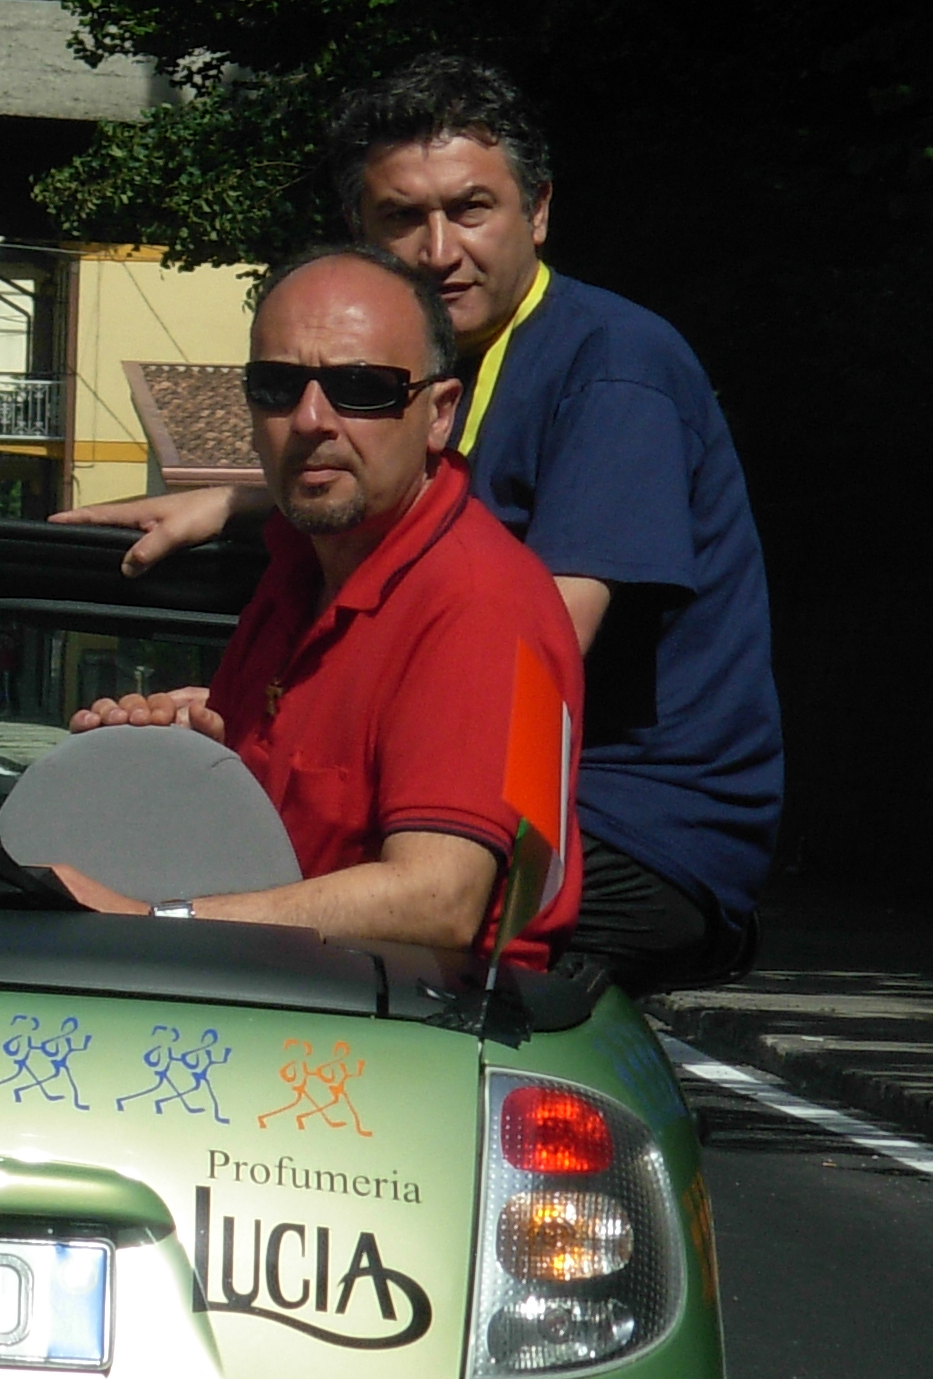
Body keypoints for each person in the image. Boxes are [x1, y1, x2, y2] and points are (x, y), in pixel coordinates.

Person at [60, 57, 779, 991]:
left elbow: (531, 651)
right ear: (358, 229)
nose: (439, 251)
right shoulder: (429, 371)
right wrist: (249, 514)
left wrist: (162, 914)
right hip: (493, 786)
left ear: (539, 211)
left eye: (471, 209)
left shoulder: (613, 368)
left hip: (635, 822)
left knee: (379, 918)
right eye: (402, 217)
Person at [54, 245, 587, 972]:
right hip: (277, 998)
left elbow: (439, 901)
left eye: (360, 388)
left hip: (415, 1021)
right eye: (277, 385)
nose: (310, 419)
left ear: (440, 415)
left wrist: (155, 923)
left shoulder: (479, 602)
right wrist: (168, 763)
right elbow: (272, 849)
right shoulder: (300, 569)